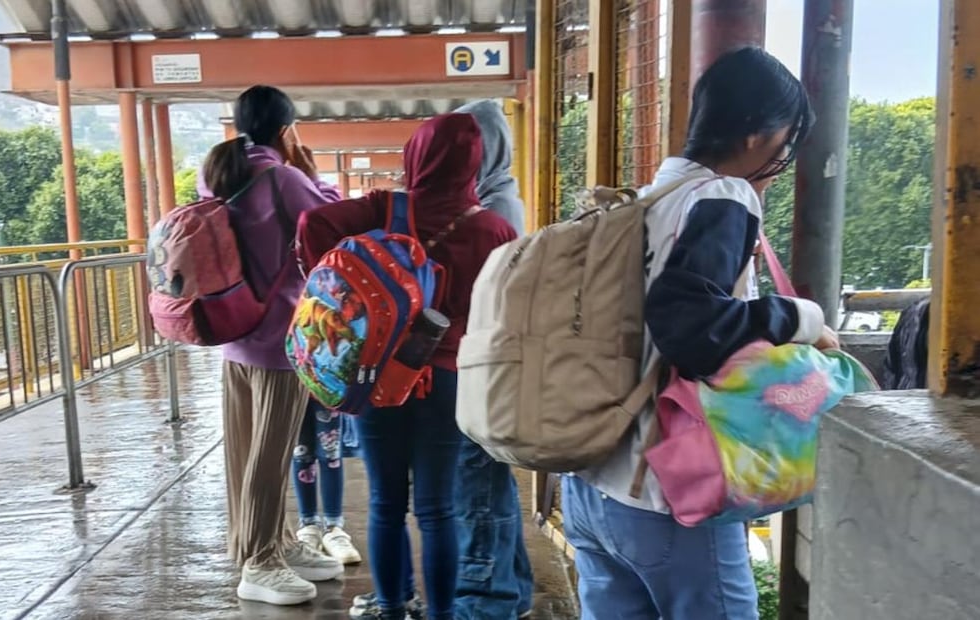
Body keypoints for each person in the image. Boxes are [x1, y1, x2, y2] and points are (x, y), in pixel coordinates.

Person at [563, 48, 836, 620]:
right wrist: (800, 318)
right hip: (665, 493)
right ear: (763, 133)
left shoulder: (635, 202)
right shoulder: (721, 196)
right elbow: (694, 328)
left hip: (590, 483)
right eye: (787, 142)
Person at [299, 113, 517, 620]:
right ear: (473, 162)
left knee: (385, 503)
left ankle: (392, 607)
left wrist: (329, 288)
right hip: (449, 380)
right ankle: (442, 613)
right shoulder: (493, 227)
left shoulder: (385, 208)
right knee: (438, 508)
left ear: (415, 155)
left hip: (377, 376)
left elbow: (312, 223)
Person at [200, 84, 345, 606]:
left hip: (233, 333)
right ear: (286, 131)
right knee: (269, 452)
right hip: (278, 342)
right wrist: (310, 174)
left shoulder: (216, 171)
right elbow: (330, 223)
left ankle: (271, 543)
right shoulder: (282, 178)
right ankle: (258, 562)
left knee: (245, 449)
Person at [451, 99, 534, 620]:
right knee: (490, 483)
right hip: (494, 371)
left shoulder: (490, 215)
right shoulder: (500, 200)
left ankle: (485, 601)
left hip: (482, 374)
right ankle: (513, 589)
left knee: (476, 486)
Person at [291, 403, 362, 565]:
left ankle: (333, 526)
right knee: (300, 452)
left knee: (331, 453)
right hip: (294, 385)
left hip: (328, 386)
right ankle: (308, 524)